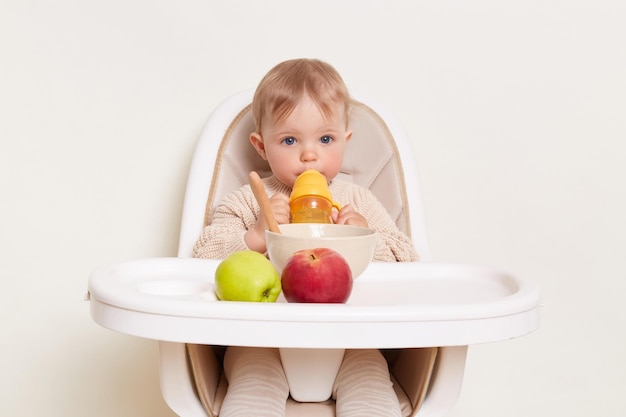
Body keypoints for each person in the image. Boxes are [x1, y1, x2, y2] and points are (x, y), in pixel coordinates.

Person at [193, 58, 419, 417]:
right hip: (261, 339)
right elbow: (204, 255)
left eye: (326, 139)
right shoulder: (250, 200)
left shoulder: (359, 201)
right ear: (262, 146)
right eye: (289, 140)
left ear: (344, 142)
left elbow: (408, 263)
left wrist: (364, 233)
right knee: (252, 386)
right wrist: (255, 237)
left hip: (352, 340)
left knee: (372, 389)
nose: (309, 153)